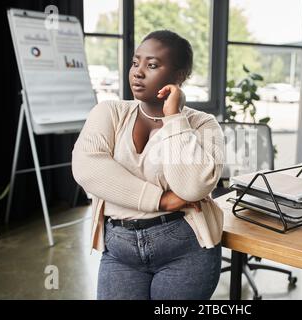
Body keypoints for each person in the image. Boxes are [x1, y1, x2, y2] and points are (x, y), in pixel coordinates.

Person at [72, 30, 225, 300]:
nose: (138, 72)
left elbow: (192, 187)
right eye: (135, 63)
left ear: (179, 76)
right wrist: (161, 200)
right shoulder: (109, 112)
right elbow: (87, 168)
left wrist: (174, 118)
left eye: (152, 65)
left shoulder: (203, 124)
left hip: (185, 250)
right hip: (119, 251)